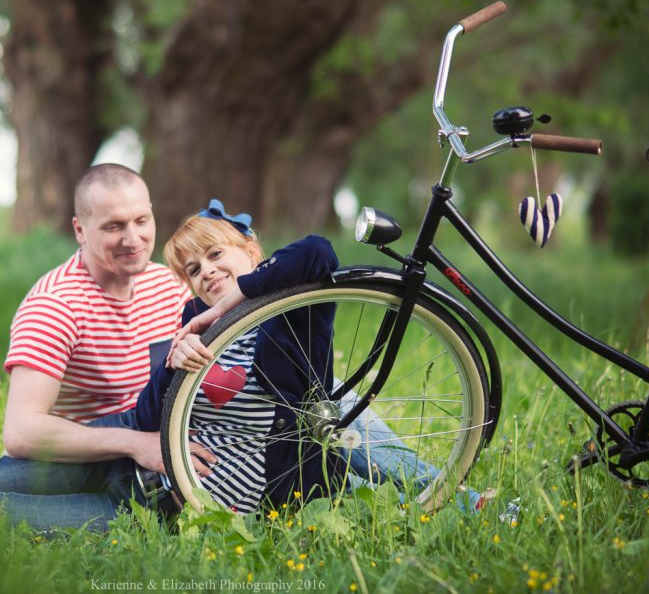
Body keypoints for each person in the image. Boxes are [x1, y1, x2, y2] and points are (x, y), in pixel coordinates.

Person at [134, 201, 486, 514]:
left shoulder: (289, 308)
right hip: (220, 489)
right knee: (366, 496)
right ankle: (449, 499)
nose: (206, 271)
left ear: (252, 252)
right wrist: (173, 362)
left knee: (356, 440)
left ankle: (459, 499)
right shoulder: (195, 323)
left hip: (299, 472)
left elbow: (317, 251)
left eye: (214, 255)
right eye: (193, 270)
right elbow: (148, 416)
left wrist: (238, 295)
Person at [0, 164, 210, 532]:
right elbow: (21, 432)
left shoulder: (169, 286)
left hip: (149, 463)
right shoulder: (55, 306)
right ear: (80, 230)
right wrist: (135, 444)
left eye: (141, 220)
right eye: (114, 226)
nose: (133, 239)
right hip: (78, 459)